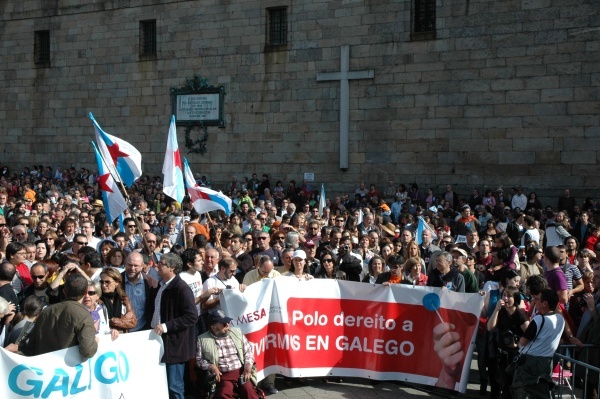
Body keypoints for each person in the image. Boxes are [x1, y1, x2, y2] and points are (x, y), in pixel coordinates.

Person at [152, 252, 198, 399]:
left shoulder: (181, 288)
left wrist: (166, 326)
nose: (157, 265)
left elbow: (191, 316)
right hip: (160, 341)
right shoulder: (161, 285)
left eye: (162, 263)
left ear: (171, 268)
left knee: (174, 386)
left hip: (175, 345)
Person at [20, 274, 98, 359]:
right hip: (65, 368)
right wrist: (95, 342)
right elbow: (87, 352)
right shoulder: (84, 316)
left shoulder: (46, 311)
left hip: (44, 365)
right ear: (86, 292)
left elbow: (32, 344)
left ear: (64, 291)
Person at [510, 289, 565, 399]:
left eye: (537, 299)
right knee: (541, 393)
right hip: (547, 362)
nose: (535, 301)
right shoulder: (560, 319)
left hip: (530, 362)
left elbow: (523, 341)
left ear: (545, 303)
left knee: (522, 392)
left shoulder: (538, 320)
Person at [196, 310, 259, 399]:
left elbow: (248, 352)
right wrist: (211, 366)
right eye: (224, 324)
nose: (228, 326)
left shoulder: (237, 333)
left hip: (241, 372)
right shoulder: (202, 339)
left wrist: (248, 367)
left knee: (249, 391)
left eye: (228, 322)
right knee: (223, 393)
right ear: (214, 327)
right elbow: (199, 360)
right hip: (223, 376)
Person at [486, 286, 529, 399]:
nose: (505, 298)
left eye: (509, 296)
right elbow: (490, 327)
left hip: (517, 356)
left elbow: (530, 335)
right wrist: (496, 309)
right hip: (503, 355)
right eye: (504, 295)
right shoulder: (501, 312)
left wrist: (517, 344)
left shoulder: (520, 315)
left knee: (514, 386)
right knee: (504, 386)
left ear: (515, 298)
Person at [99, 268, 137, 332]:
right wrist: (123, 320)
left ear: (117, 282)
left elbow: (133, 322)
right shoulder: (97, 299)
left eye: (107, 282)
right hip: (104, 337)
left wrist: (113, 321)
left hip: (121, 337)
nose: (103, 285)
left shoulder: (124, 299)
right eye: (101, 282)